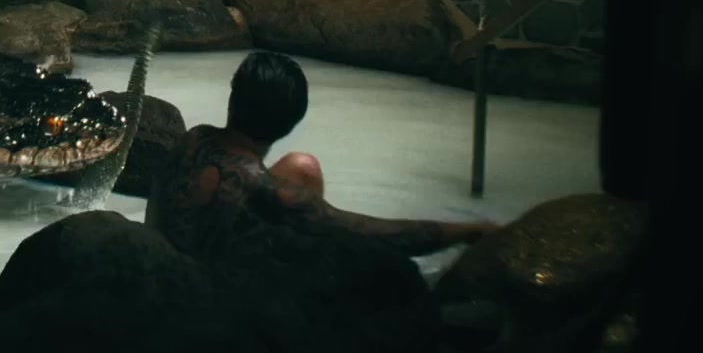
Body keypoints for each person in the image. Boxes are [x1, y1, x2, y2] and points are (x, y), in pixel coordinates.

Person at [146, 50, 502, 260]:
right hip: (210, 309)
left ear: (233, 97)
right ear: (291, 122)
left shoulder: (195, 138)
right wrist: (468, 230)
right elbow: (377, 234)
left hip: (160, 276)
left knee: (302, 167)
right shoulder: (265, 190)